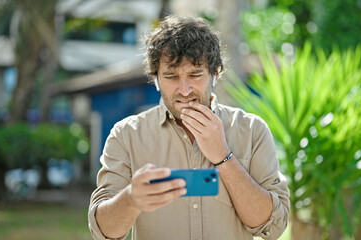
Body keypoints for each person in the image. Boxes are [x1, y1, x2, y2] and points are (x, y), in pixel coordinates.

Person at [88, 16, 290, 240]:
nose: (184, 90)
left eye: (195, 75)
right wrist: (132, 198)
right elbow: (103, 232)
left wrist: (223, 157)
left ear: (215, 73)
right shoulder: (126, 135)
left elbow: (273, 227)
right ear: (155, 78)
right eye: (171, 77)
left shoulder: (252, 130)